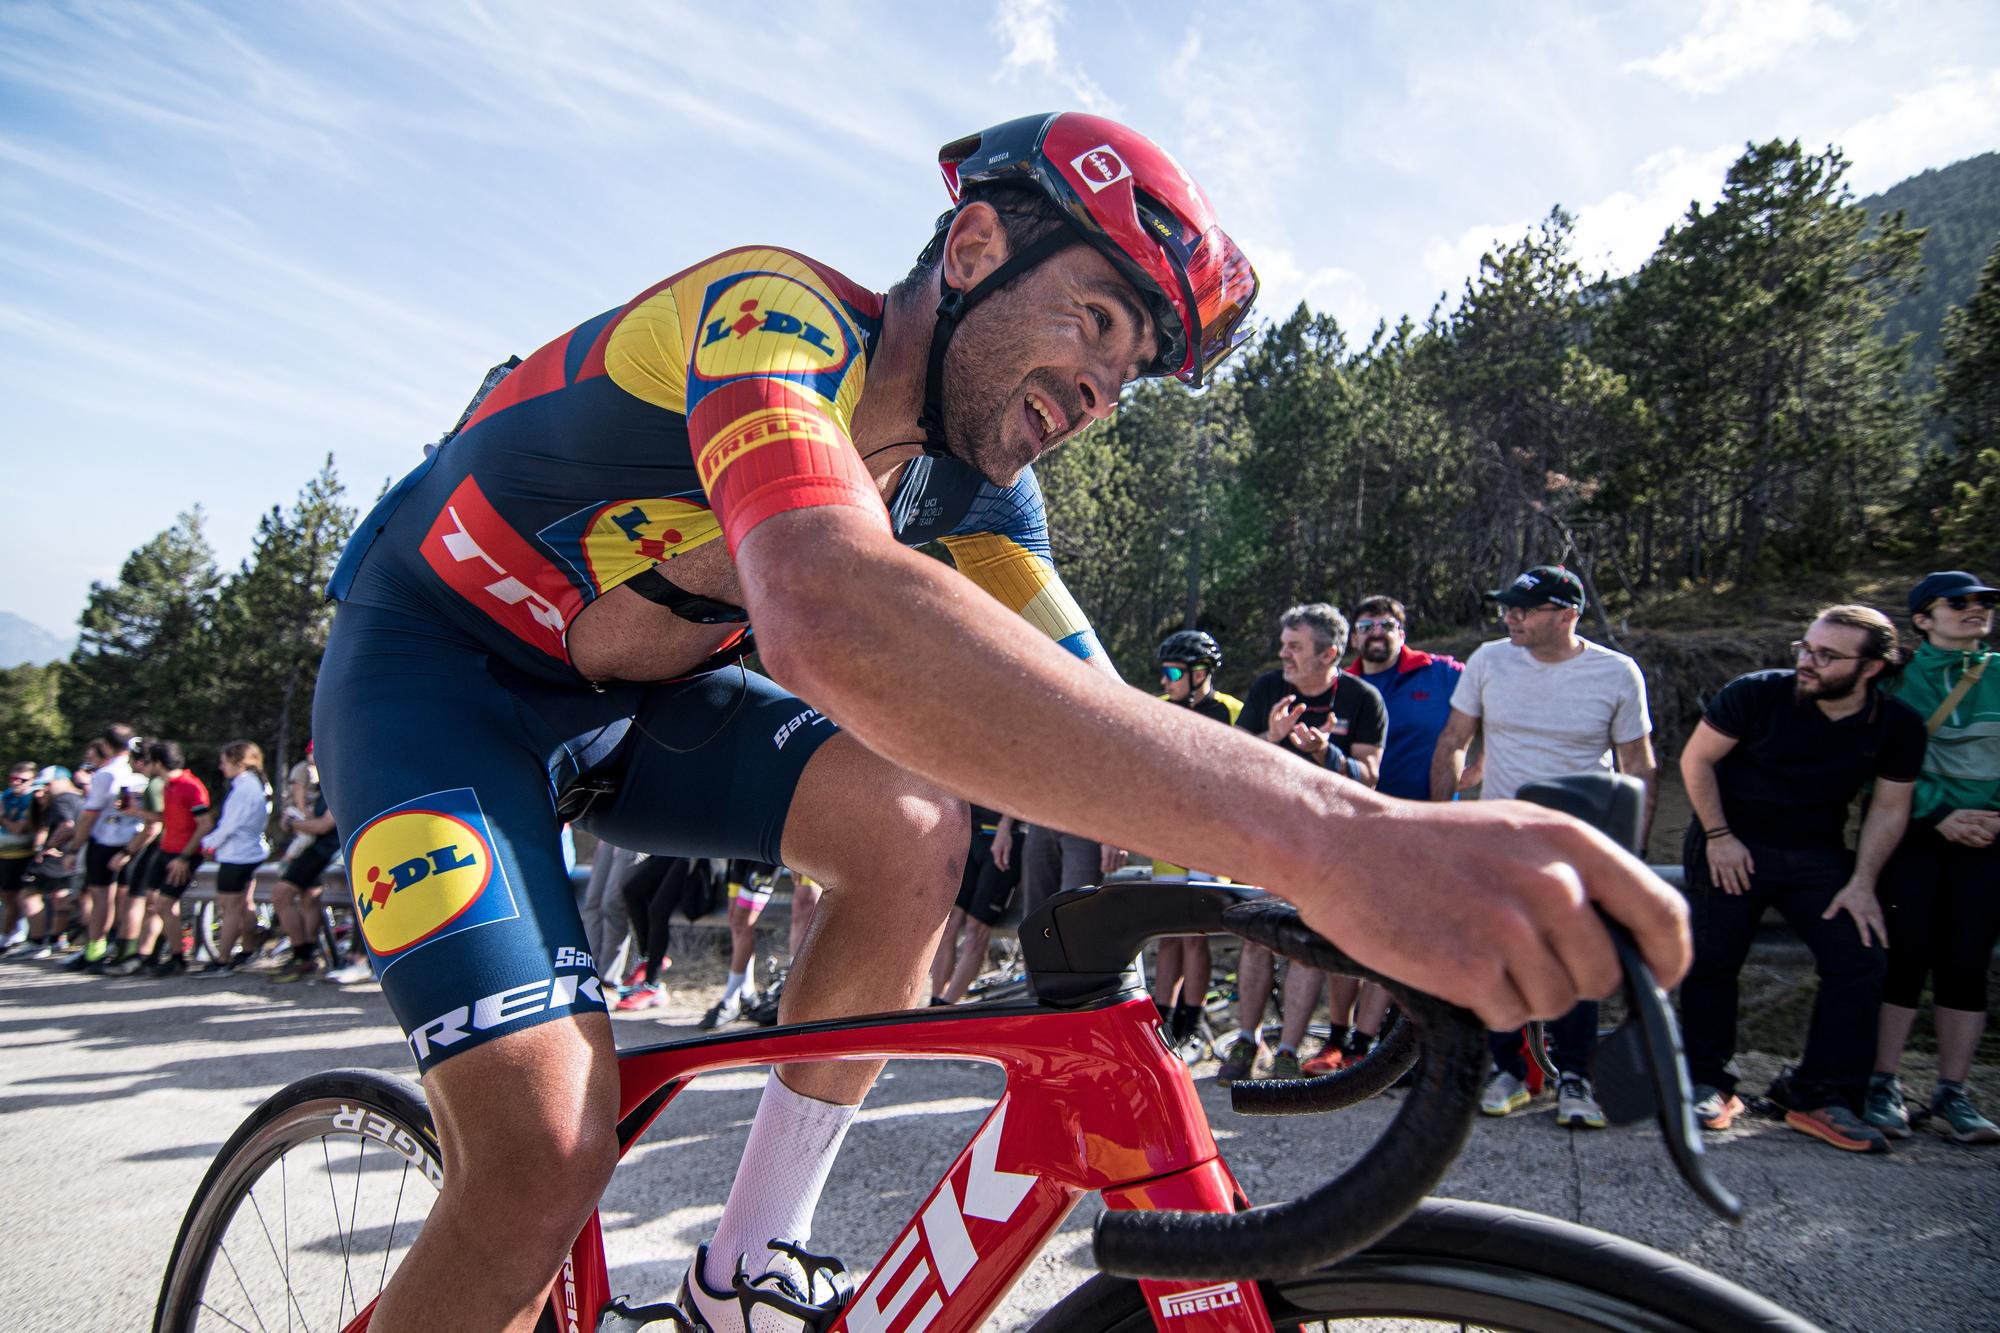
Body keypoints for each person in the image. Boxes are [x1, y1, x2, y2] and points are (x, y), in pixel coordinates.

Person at [312, 111, 1686, 1333]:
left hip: (640, 707)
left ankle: (743, 1272)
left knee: (912, 823)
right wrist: (1340, 839)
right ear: (971, 246)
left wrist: (1348, 873)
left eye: (1131, 370)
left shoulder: (977, 495)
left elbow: (1102, 719)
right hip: (444, 681)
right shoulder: (772, 314)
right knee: (545, 1157)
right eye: (1095, 319)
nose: (1103, 389)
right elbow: (830, 607)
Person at [1678, 606, 1923, 1153]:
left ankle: (1819, 1094)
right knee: (1713, 957)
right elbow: (1697, 762)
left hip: (1818, 855)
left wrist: (1863, 881)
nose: (1808, 662)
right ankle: (1708, 1082)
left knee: (1861, 959)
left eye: (1827, 655)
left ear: (1872, 668)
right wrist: (1719, 836)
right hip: (1731, 843)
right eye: (1805, 649)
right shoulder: (1756, 694)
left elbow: (1888, 810)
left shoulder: (1897, 725)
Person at [1431, 566, 1656, 1130]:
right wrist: (1444, 821)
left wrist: (1630, 849)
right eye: (1506, 607)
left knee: (1574, 960)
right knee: (1499, 957)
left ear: (1567, 615)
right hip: (1500, 836)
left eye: (1524, 610)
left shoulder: (1616, 673)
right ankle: (1514, 1070)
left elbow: (1639, 765)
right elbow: (1454, 740)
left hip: (1582, 841)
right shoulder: (1489, 659)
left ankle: (1575, 1076)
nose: (1510, 618)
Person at [1301, 595, 1468, 1075]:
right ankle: (1336, 1039)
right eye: (1366, 624)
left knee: (1402, 940)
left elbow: (1484, 722)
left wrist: (1475, 772)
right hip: (1353, 831)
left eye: (1387, 624)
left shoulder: (1443, 674)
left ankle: (1367, 1043)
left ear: (1403, 630)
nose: (1376, 631)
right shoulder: (1341, 685)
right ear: (1353, 636)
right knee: (1346, 935)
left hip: (1424, 830)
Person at [1220, 605, 1386, 1083]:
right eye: (1283, 644)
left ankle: (1289, 1050)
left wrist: (1323, 752)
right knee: (1254, 940)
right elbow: (1234, 759)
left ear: (1329, 653)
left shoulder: (1362, 698)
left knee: (1303, 944)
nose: (1283, 653)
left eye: (1295, 646)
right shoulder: (1269, 688)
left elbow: (1369, 777)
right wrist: (1272, 738)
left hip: (1329, 843)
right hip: (1269, 833)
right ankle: (1246, 1041)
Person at [1866, 572, 2000, 1145]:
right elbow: (1874, 761)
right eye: (1959, 604)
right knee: (1904, 957)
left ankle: (1953, 1091)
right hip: (1916, 836)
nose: (1975, 612)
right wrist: (1937, 813)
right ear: (1922, 618)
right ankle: (1882, 1082)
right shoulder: (1895, 682)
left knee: (1966, 965)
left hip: (1990, 840)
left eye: (1984, 604)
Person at [1146, 630, 1241, 1055]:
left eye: (1172, 672)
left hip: (1212, 839)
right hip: (1167, 834)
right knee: (1168, 933)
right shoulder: (1158, 709)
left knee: (1194, 936)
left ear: (1200, 673)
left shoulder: (1232, 711)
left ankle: (1190, 1022)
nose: (1164, 682)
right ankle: (1161, 1022)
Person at [106, 740, 212, 977]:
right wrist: (137, 813)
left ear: (157, 762)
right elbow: (169, 818)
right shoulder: (168, 785)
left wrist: (185, 857)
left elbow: (204, 824)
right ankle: (150, 956)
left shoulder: (190, 786)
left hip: (182, 855)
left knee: (163, 904)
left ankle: (176, 958)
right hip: (165, 851)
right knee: (153, 903)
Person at [61, 725, 150, 971]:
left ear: (107, 746)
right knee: (126, 898)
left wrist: (74, 847)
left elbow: (89, 815)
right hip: (133, 840)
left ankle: (95, 950)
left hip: (106, 840)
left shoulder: (106, 773)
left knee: (102, 898)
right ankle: (120, 947)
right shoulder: (140, 771)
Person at [194, 741, 273, 976]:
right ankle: (248, 949)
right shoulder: (258, 783)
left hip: (237, 854)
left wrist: (207, 843)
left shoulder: (244, 787)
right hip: (250, 852)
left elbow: (230, 824)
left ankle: (223, 959)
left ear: (239, 763)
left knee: (229, 907)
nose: (221, 767)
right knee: (244, 904)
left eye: (225, 762)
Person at [930, 807, 1023, 1005]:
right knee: (949, 922)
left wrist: (1005, 827)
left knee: (976, 928)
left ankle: (946, 1005)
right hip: (971, 834)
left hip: (1005, 839)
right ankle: (935, 1003)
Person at [271, 790, 338, 982]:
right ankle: (306, 954)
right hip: (317, 849)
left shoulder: (339, 779)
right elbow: (316, 819)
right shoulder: (327, 781)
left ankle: (302, 954)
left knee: (280, 895)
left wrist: (293, 824)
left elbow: (324, 825)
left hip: (322, 851)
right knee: (309, 899)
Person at [21, 768, 82, 958]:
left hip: (58, 855)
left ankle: (37, 942)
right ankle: (56, 939)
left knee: (29, 893)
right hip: (72, 855)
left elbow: (67, 825)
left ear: (62, 780)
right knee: (61, 897)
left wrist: (47, 847)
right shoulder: (80, 798)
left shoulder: (62, 799)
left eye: (48, 784)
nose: (46, 790)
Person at [0, 761, 37, 952]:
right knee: (7, 897)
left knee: (13, 895)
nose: (16, 783)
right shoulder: (6, 796)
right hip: (4, 853)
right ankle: (15, 932)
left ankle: (8, 937)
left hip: (21, 854)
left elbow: (19, 829)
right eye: (13, 779)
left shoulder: (31, 799)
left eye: (22, 780)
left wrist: (2, 817)